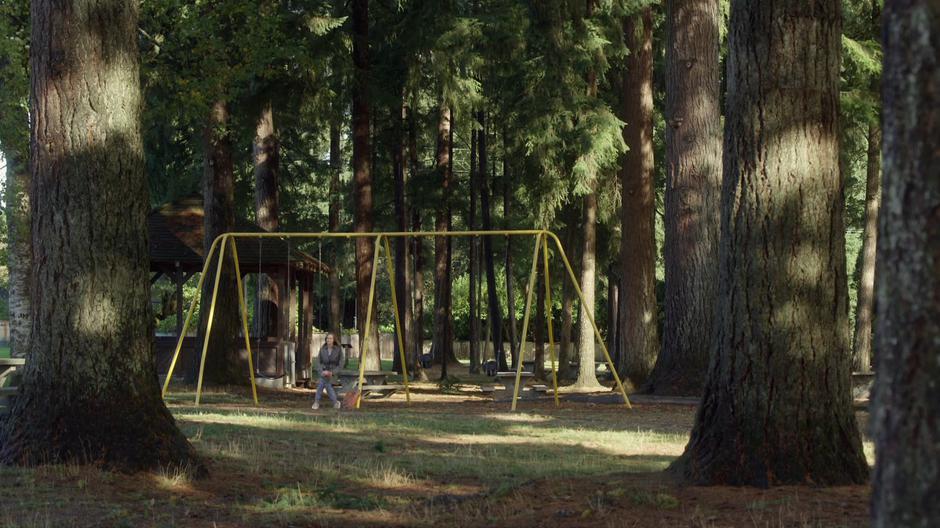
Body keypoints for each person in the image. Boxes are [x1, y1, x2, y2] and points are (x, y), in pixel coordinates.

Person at [312, 333, 343, 410]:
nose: (329, 340)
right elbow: (318, 362)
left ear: (333, 340)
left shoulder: (338, 350)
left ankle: (316, 402)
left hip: (334, 373)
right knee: (325, 383)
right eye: (327, 338)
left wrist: (332, 372)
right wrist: (322, 372)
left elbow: (341, 363)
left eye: (331, 338)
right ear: (326, 340)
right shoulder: (322, 349)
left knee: (323, 383)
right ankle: (335, 402)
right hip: (323, 372)